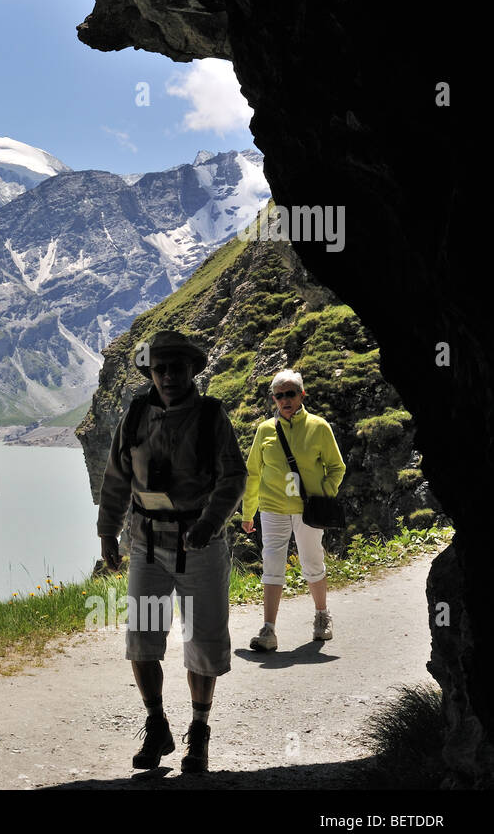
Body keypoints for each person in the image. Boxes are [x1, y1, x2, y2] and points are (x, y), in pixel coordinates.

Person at [97, 330, 246, 774]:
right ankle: (157, 722)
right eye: (160, 368)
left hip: (198, 545)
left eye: (177, 368)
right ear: (150, 372)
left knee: (203, 643)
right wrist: (108, 533)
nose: (168, 376)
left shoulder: (211, 416)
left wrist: (208, 523)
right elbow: (117, 477)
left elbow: (233, 477)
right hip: (145, 544)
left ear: (192, 371)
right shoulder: (136, 414)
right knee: (142, 643)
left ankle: (198, 733)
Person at [241, 370, 346, 652]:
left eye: (290, 393)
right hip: (272, 507)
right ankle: (268, 630)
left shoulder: (319, 427)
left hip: (307, 509)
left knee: (312, 561)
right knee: (272, 564)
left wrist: (323, 495)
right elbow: (253, 473)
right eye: (279, 395)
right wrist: (248, 512)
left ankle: (322, 616)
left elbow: (337, 467)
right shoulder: (264, 430)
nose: (285, 400)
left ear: (302, 395)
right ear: (273, 399)